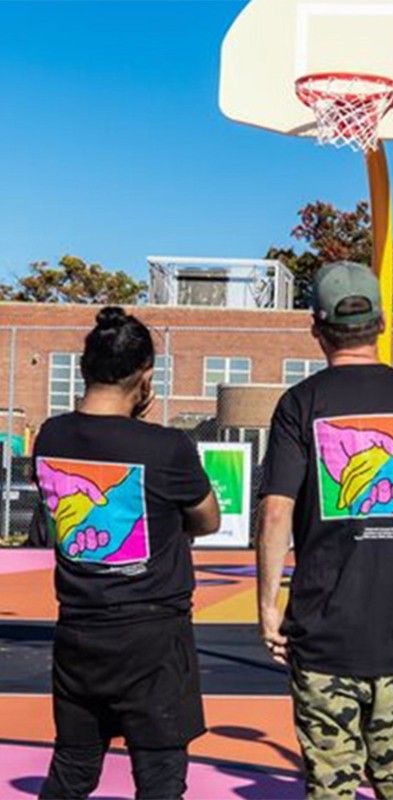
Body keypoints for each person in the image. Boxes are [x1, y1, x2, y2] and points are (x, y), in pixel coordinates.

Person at [256, 262, 393, 800]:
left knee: (330, 788)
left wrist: (267, 606)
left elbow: (274, 513)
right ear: (382, 324)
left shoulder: (300, 406)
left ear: (316, 327)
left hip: (322, 638)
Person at [35, 307, 220, 800]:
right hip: (152, 636)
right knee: (159, 778)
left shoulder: (50, 437)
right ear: (145, 377)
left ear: (85, 368)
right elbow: (208, 519)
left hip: (79, 630)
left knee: (73, 769)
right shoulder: (167, 447)